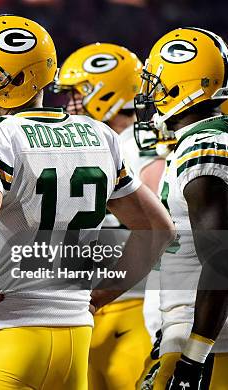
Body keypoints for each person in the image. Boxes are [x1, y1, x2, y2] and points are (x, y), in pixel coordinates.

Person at [0, 14, 174, 390]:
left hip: (5, 332)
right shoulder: (99, 134)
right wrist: (101, 296)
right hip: (75, 334)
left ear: (14, 79)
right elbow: (159, 229)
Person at [134, 27, 228, 389]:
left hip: (209, 336)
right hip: (218, 331)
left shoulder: (205, 148)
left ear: (180, 86)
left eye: (156, 84)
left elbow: (221, 263)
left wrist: (193, 357)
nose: (149, 95)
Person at [55, 42, 154, 389]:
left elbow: (163, 229)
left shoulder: (141, 144)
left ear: (104, 91)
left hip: (133, 306)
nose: (69, 105)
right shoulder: (101, 143)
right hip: (90, 311)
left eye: (76, 94)